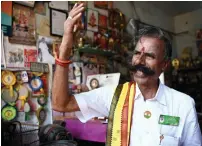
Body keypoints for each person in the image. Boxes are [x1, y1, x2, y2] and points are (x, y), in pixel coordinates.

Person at [52, 3, 202, 146]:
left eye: (149, 56)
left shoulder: (183, 104)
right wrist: (65, 47)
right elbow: (60, 104)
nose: (140, 60)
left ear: (164, 65)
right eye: (137, 53)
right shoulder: (114, 96)